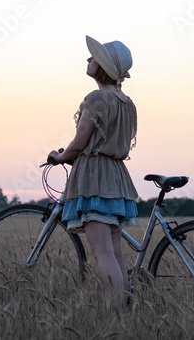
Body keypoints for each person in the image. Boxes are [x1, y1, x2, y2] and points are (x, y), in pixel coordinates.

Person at [47, 36, 138, 307]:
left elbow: (79, 142)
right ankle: (124, 308)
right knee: (115, 252)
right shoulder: (126, 102)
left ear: (103, 68)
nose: (89, 59)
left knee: (102, 253)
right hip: (117, 178)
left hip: (94, 178)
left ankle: (116, 313)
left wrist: (60, 156)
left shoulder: (97, 98)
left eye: (94, 57)